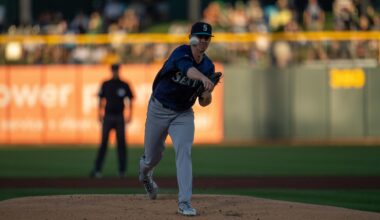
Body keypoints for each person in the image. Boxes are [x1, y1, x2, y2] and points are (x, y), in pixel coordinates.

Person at [138, 21, 216, 216]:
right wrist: (204, 79)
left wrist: (207, 94)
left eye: (207, 38)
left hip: (183, 113)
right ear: (192, 38)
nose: (204, 41)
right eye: (200, 37)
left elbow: (204, 101)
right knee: (152, 156)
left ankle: (184, 203)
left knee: (184, 152)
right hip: (159, 108)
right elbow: (188, 70)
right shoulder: (181, 53)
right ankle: (145, 174)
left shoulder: (208, 66)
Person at [90, 63, 134, 178]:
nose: (115, 72)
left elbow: (130, 100)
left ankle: (122, 171)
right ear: (111, 71)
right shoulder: (106, 84)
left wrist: (130, 115)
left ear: (119, 71)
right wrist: (99, 114)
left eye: (116, 70)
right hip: (108, 116)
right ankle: (97, 170)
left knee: (121, 144)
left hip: (119, 117)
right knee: (103, 143)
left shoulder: (124, 84)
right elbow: (100, 99)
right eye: (113, 70)